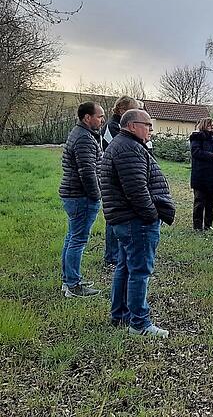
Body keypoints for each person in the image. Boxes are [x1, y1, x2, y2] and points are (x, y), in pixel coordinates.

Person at [101, 109, 176, 337]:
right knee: (140, 271)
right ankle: (140, 323)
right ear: (132, 125)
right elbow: (136, 189)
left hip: (126, 219)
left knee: (125, 267)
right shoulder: (128, 148)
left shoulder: (124, 145)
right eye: (148, 125)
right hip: (136, 221)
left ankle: (120, 313)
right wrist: (152, 215)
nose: (151, 130)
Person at [59, 102, 105, 297]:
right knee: (77, 240)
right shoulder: (84, 138)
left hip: (74, 195)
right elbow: (87, 172)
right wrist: (96, 195)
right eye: (100, 116)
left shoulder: (80, 134)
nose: (103, 120)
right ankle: (73, 285)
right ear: (87, 117)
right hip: (81, 196)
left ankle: (69, 279)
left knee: (72, 237)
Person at [101, 96, 141, 267]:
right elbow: (125, 150)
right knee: (114, 218)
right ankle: (112, 256)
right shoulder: (113, 127)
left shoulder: (121, 126)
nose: (137, 114)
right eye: (134, 110)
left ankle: (119, 254)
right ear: (122, 109)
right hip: (115, 179)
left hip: (122, 176)